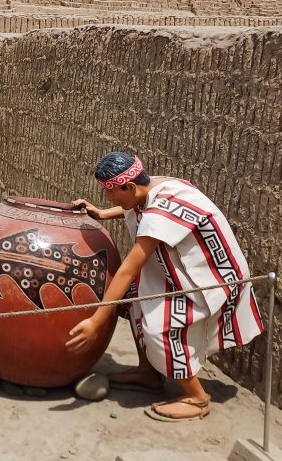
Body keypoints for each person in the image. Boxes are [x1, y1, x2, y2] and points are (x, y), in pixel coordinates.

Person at [66, 152, 263, 421]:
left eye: (111, 193)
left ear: (130, 186)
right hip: (181, 273)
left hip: (211, 279)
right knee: (135, 300)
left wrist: (97, 320)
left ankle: (196, 397)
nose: (108, 198)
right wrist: (102, 213)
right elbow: (131, 204)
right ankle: (148, 373)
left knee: (160, 327)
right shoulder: (156, 185)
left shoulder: (161, 211)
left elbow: (129, 269)